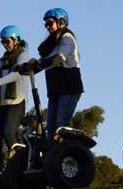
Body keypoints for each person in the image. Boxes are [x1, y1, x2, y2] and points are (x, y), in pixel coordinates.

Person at [15, 8, 84, 143]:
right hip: (55, 89)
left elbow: (59, 58)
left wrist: (39, 64)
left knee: (60, 125)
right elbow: (44, 63)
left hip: (69, 86)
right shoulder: (52, 43)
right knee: (50, 128)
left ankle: (66, 156)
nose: (48, 27)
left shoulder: (67, 38)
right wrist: (26, 68)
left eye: (50, 23)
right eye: (46, 24)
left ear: (61, 22)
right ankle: (51, 157)